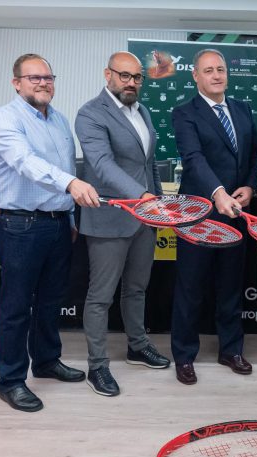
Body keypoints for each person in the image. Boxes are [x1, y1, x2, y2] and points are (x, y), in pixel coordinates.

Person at [0, 53, 99, 412]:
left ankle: (47, 361)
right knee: (16, 308)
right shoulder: (5, 118)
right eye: (34, 77)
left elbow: (65, 168)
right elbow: (24, 162)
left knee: (51, 302)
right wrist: (71, 184)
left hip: (56, 224)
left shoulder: (60, 120)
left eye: (48, 77)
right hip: (19, 226)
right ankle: (11, 380)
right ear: (16, 82)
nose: (43, 83)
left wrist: (68, 218)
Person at [75, 51, 170, 397]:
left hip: (145, 219)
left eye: (137, 77)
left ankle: (137, 346)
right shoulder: (90, 114)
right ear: (108, 75)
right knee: (100, 297)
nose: (131, 82)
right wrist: (141, 198)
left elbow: (150, 164)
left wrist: (156, 203)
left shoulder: (141, 111)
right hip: (109, 218)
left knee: (137, 289)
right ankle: (97, 366)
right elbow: (101, 165)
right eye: (124, 76)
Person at [170, 49, 257, 385]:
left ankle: (230, 350)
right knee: (190, 287)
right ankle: (183, 355)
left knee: (230, 286)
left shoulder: (242, 109)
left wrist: (250, 188)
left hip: (236, 211)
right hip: (198, 214)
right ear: (195, 76)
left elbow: (255, 153)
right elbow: (193, 159)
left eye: (221, 69)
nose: (216, 75)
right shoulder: (184, 113)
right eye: (208, 70)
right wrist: (218, 193)